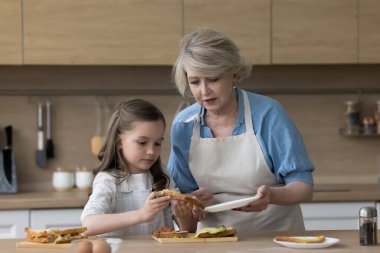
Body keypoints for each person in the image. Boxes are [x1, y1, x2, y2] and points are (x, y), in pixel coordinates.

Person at [167, 28, 315, 234]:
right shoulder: (183, 124)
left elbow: (303, 188)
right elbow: (182, 196)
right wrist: (194, 202)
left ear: (234, 73)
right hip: (214, 241)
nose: (204, 91)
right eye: (195, 82)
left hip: (275, 239)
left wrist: (271, 196)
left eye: (213, 79)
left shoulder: (268, 114)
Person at [81, 99, 191, 236]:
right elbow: (88, 225)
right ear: (119, 142)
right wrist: (142, 215)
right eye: (142, 142)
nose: (151, 151)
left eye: (157, 143)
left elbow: (187, 231)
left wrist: (185, 216)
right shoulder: (108, 180)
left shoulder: (163, 176)